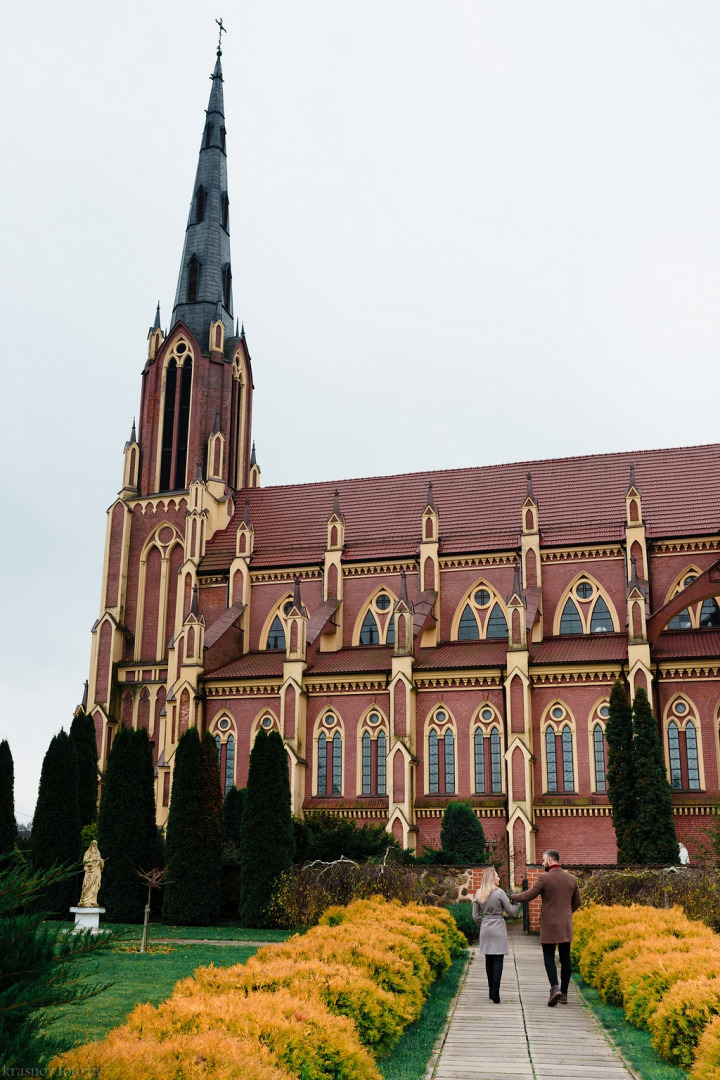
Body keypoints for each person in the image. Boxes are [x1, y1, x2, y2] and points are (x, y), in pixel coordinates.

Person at [510, 849, 581, 1006]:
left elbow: (528, 895)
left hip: (549, 924)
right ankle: (564, 994)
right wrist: (567, 913)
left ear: (550, 860)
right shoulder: (571, 878)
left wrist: (511, 896)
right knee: (565, 957)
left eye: (543, 861)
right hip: (565, 924)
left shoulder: (544, 878)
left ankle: (555, 988)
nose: (542, 864)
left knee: (548, 956)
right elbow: (577, 902)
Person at [472, 865, 520, 1003]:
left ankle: (490, 990)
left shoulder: (478, 893)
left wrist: (484, 924)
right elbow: (511, 911)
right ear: (493, 878)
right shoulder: (499, 893)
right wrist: (518, 904)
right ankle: (496, 991)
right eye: (497, 876)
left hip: (486, 927)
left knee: (488, 959)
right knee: (498, 959)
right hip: (498, 926)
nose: (499, 878)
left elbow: (475, 916)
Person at [78, 840, 106, 908]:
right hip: (89, 871)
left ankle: (93, 901)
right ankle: (84, 900)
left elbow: (100, 861)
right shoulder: (88, 852)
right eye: (93, 844)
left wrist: (101, 862)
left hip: (96, 870)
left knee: (95, 885)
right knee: (87, 885)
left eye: (96, 844)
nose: (94, 845)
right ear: (91, 844)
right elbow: (84, 860)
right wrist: (91, 860)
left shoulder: (98, 852)